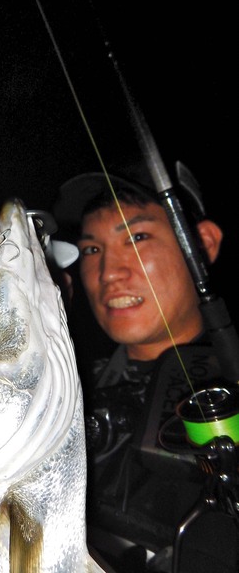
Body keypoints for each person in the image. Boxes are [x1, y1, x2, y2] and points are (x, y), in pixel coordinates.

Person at [52, 166, 239, 573]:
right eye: (91, 250)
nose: (110, 273)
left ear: (202, 244)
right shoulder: (61, 394)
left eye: (137, 238)